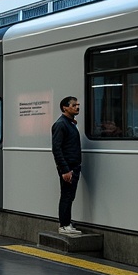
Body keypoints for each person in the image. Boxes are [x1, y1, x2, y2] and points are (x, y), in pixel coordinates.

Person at [51, 95, 82, 235]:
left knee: (69, 195)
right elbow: (56, 148)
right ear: (65, 107)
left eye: (78, 105)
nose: (77, 107)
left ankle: (67, 222)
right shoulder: (61, 124)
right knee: (67, 195)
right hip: (68, 167)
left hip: (72, 166)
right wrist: (65, 169)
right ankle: (64, 225)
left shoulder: (69, 123)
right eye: (74, 105)